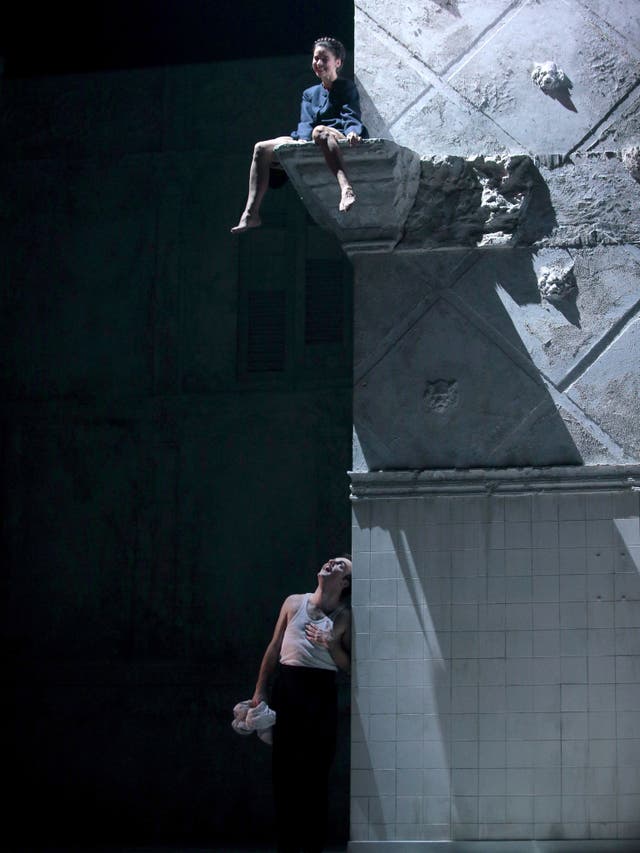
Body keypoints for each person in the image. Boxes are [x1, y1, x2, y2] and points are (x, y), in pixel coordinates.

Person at [251, 555, 352, 853]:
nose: (332, 562)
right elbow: (273, 647)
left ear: (344, 582)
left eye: (341, 566)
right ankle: (288, 846)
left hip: (320, 695)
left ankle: (311, 847)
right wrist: (260, 691)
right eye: (333, 560)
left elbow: (350, 667)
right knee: (285, 775)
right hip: (288, 689)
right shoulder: (294, 603)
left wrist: (331, 644)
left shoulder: (345, 616)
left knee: (315, 776)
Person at [231, 37, 367, 234]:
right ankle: (251, 213)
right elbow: (305, 122)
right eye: (315, 58)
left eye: (324, 59)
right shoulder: (310, 93)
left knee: (319, 131)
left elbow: (351, 114)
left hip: (336, 133)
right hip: (309, 137)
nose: (318, 63)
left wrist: (353, 132)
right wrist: (302, 141)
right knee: (261, 147)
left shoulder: (346, 87)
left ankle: (346, 188)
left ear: (337, 62)